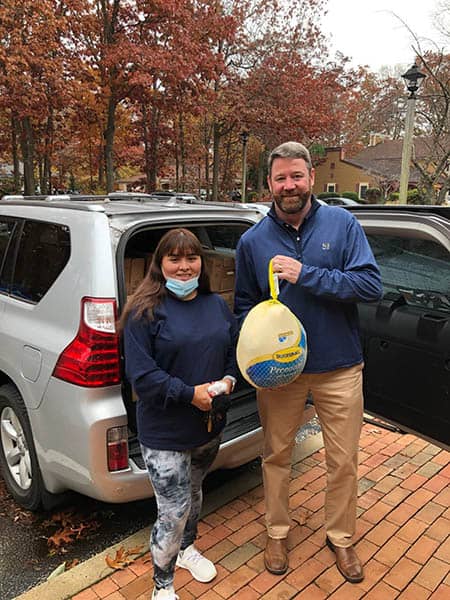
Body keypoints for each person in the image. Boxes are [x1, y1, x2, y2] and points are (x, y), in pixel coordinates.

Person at [234, 141, 383, 584]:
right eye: (280, 178)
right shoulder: (252, 241)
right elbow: (244, 304)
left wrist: (307, 275)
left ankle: (341, 537)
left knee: (344, 460)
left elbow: (370, 285)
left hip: (339, 366)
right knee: (276, 455)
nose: (289, 185)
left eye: (296, 175)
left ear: (312, 178)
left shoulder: (342, 223)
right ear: (269, 185)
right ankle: (277, 532)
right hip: (280, 373)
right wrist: (253, 338)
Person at [121, 228, 238, 600]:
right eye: (175, 258)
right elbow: (143, 375)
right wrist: (190, 395)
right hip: (165, 431)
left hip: (208, 425)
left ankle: (187, 549)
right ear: (160, 264)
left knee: (194, 492)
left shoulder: (216, 305)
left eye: (192, 258)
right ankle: (163, 584)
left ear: (201, 264)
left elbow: (234, 350)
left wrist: (230, 378)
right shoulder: (144, 311)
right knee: (172, 510)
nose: (184, 266)